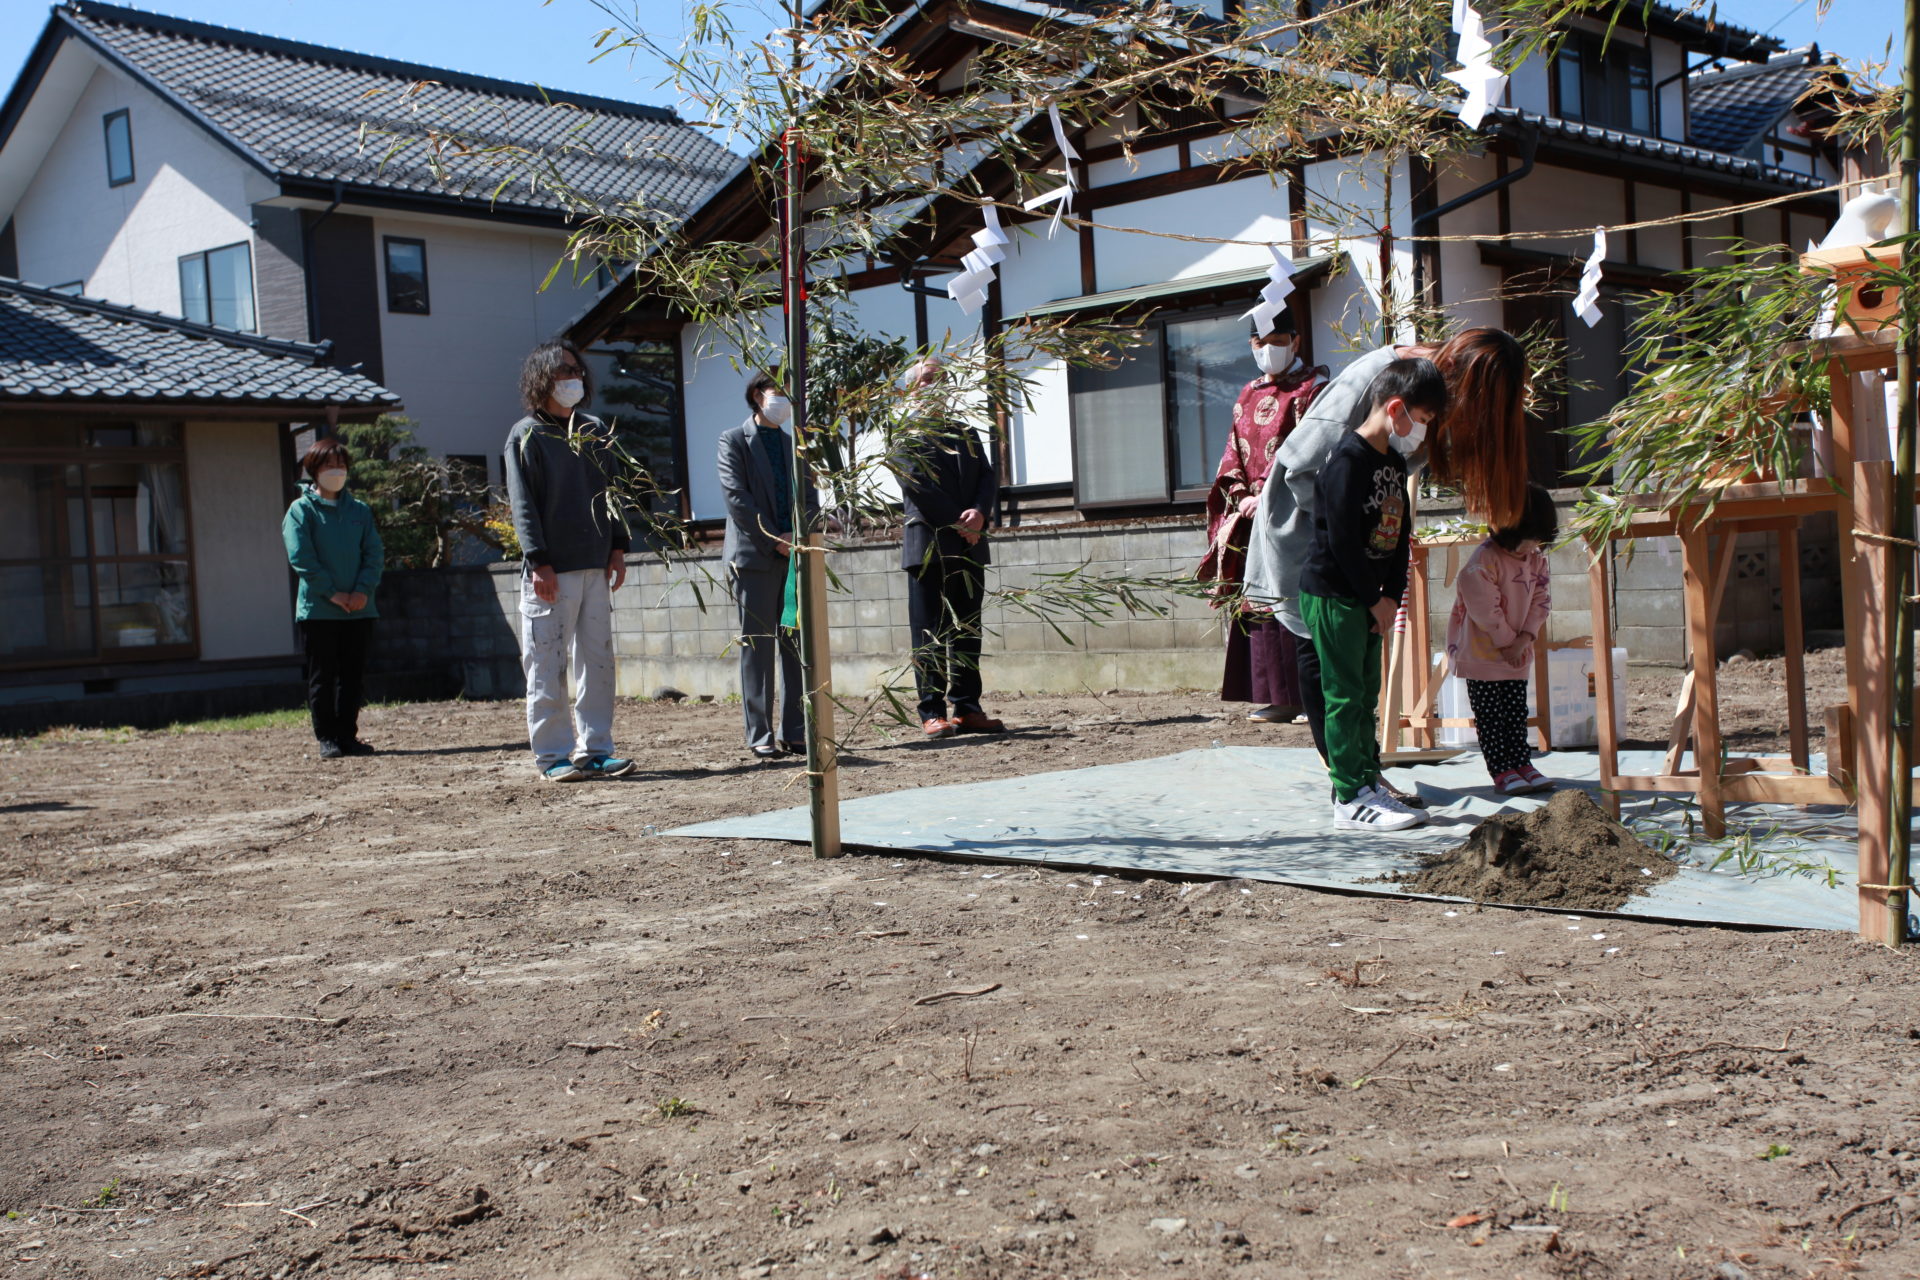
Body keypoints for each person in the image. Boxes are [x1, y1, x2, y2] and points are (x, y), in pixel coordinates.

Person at [1242, 327, 1530, 803]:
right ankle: (1351, 786)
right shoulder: (1376, 383)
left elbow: (1387, 487)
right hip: (1308, 536)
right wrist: (1360, 543)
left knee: (1356, 679)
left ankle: (1364, 775)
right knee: (1330, 665)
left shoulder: (1421, 402)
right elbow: (1302, 469)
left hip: (1355, 548)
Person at [1298, 358, 1449, 832]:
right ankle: (1348, 796)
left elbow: (1400, 534)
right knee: (1343, 695)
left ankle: (1368, 778)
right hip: (1335, 594)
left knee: (1365, 695)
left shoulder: (1393, 460)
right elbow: (1341, 541)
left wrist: (1392, 595)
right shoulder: (1347, 460)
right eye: (1421, 420)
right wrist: (1372, 597)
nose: (1421, 432)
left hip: (1369, 599)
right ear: (1397, 407)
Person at [504, 339, 638, 783]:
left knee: (598, 659)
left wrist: (618, 546)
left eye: (577, 371)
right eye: (563, 372)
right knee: (547, 662)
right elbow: (523, 504)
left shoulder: (595, 430)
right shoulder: (526, 435)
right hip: (551, 570)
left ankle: (597, 748)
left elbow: (613, 492)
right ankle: (553, 754)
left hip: (596, 563)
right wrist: (538, 560)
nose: (573, 379)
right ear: (542, 379)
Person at [1197, 310, 1325, 723]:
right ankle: (1276, 695)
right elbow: (1232, 453)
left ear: (1296, 340)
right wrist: (1238, 494)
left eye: (1277, 339)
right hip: (1251, 513)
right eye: (1259, 341)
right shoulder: (1247, 394)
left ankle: (1312, 696)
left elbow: (1308, 448)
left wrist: (1269, 492)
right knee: (1260, 602)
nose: (1268, 349)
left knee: (1297, 597)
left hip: (1294, 509)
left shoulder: (1313, 389)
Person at [890, 356, 1003, 740]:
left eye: (943, 380)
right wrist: (960, 521)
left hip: (970, 544)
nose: (936, 386)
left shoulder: (965, 433)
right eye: (928, 380)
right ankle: (932, 710)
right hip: (929, 544)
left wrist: (980, 515)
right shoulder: (903, 435)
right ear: (910, 388)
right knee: (930, 630)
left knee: (967, 627)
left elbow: (987, 477)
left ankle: (968, 707)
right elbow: (918, 487)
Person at [718, 372, 818, 759]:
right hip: (754, 558)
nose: (785, 403)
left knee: (794, 646)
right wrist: (773, 538)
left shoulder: (796, 447)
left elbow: (810, 497)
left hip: (793, 556)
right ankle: (759, 734)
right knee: (757, 648)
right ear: (758, 396)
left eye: (790, 397)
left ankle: (795, 731)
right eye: (779, 394)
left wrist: (799, 536)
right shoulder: (733, 440)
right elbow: (737, 499)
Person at [1446, 482, 1557, 796]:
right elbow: (1484, 607)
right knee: (1491, 717)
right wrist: (1508, 641)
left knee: (1515, 713)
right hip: (1482, 655)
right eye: (1529, 537)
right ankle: (1502, 770)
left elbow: (1541, 600)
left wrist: (1523, 639)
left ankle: (1523, 764)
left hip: (1516, 652)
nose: (1532, 545)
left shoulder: (1535, 559)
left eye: (1538, 539)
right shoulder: (1484, 561)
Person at [282, 439, 383, 760]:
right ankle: (327, 737)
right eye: (328, 466)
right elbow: (302, 558)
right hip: (319, 610)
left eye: (341, 465)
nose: (336, 471)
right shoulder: (301, 511)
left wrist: (361, 591)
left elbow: (374, 554)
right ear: (313, 470)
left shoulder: (360, 511)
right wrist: (334, 593)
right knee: (323, 676)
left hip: (359, 609)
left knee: (353, 677)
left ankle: (347, 735)